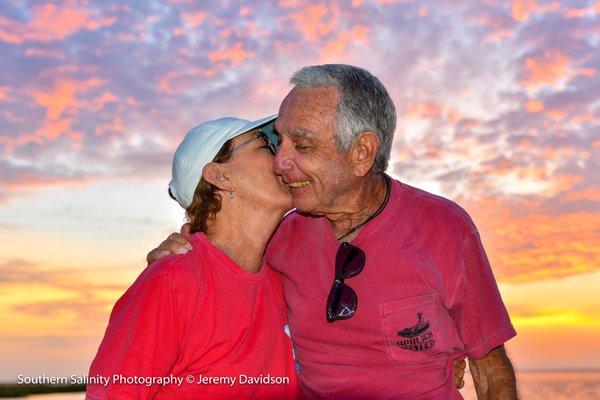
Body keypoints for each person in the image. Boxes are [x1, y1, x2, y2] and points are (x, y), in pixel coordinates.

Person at [148, 64, 516, 399]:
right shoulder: (277, 237)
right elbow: (217, 272)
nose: (279, 162)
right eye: (279, 141)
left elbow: (490, 368)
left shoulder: (445, 228)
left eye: (302, 145)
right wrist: (174, 252)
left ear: (361, 153)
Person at [87, 116, 300, 399]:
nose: (283, 157)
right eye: (265, 144)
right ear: (220, 176)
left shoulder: (286, 278)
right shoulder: (172, 282)